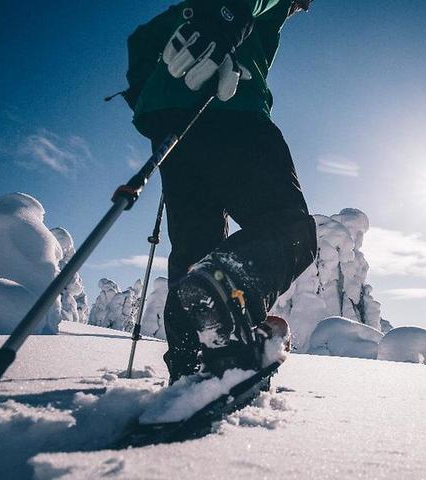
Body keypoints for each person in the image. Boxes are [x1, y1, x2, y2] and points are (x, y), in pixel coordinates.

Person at [131, 0, 316, 383]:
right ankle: (224, 300)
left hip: (172, 125)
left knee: (195, 247)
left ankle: (192, 366)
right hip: (235, 110)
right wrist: (227, 15)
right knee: (291, 229)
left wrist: (154, 97)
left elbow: (141, 41)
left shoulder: (187, 11)